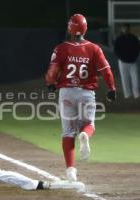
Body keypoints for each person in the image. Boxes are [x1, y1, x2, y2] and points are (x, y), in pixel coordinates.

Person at [45, 14, 116, 181]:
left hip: (67, 92)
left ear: (70, 28)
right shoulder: (94, 48)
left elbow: (52, 71)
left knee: (68, 132)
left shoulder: (61, 48)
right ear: (85, 28)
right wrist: (112, 88)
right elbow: (106, 70)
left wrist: (50, 83)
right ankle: (84, 135)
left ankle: (70, 170)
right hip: (86, 93)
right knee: (89, 124)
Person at [114, 23, 140, 99]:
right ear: (122, 29)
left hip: (133, 62)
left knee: (136, 78)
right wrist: (121, 58)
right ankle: (127, 94)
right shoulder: (119, 39)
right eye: (124, 28)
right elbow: (116, 50)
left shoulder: (134, 38)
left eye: (127, 28)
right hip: (122, 62)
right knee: (125, 79)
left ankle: (137, 94)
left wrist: (134, 58)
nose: (125, 30)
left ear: (129, 29)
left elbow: (137, 49)